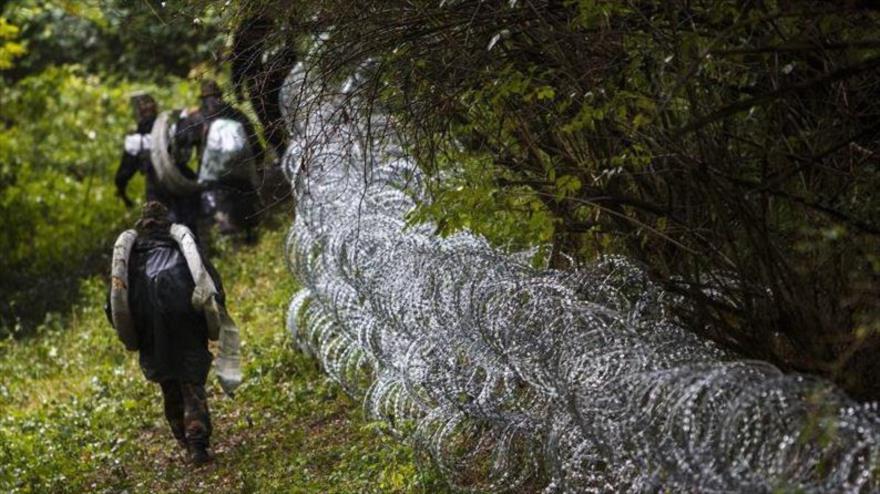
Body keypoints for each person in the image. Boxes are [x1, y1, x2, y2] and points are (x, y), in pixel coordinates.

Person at [105, 201, 222, 464]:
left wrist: (133, 332)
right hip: (186, 322)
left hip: (150, 329)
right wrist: (215, 318)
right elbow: (211, 284)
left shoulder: (131, 259)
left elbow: (113, 304)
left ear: (143, 224)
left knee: (169, 385)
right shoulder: (183, 248)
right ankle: (197, 443)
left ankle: (185, 441)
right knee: (191, 383)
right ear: (165, 222)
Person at [175, 80, 264, 241]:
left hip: (214, 178)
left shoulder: (196, 118)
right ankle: (251, 237)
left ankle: (226, 241)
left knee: (217, 211)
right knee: (245, 207)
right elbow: (256, 147)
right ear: (221, 96)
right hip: (241, 173)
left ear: (202, 98)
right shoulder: (237, 115)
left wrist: (182, 118)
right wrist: (256, 170)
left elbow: (181, 141)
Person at [115, 93, 201, 233]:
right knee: (189, 229)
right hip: (182, 185)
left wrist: (122, 191)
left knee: (160, 231)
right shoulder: (171, 128)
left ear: (139, 114)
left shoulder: (136, 141)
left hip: (157, 192)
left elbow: (123, 174)